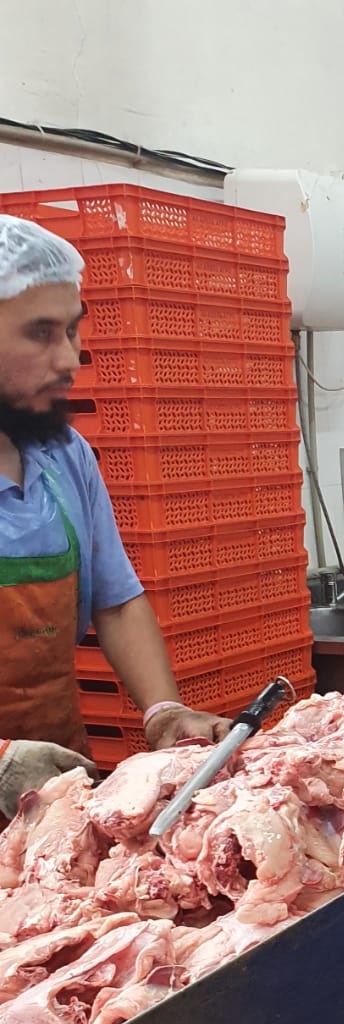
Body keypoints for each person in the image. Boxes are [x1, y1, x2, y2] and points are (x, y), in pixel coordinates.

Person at [0, 215, 230, 822]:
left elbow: (117, 602)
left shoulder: (63, 456)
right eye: (41, 333)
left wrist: (163, 712)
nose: (69, 357)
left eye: (72, 329)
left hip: (56, 790)